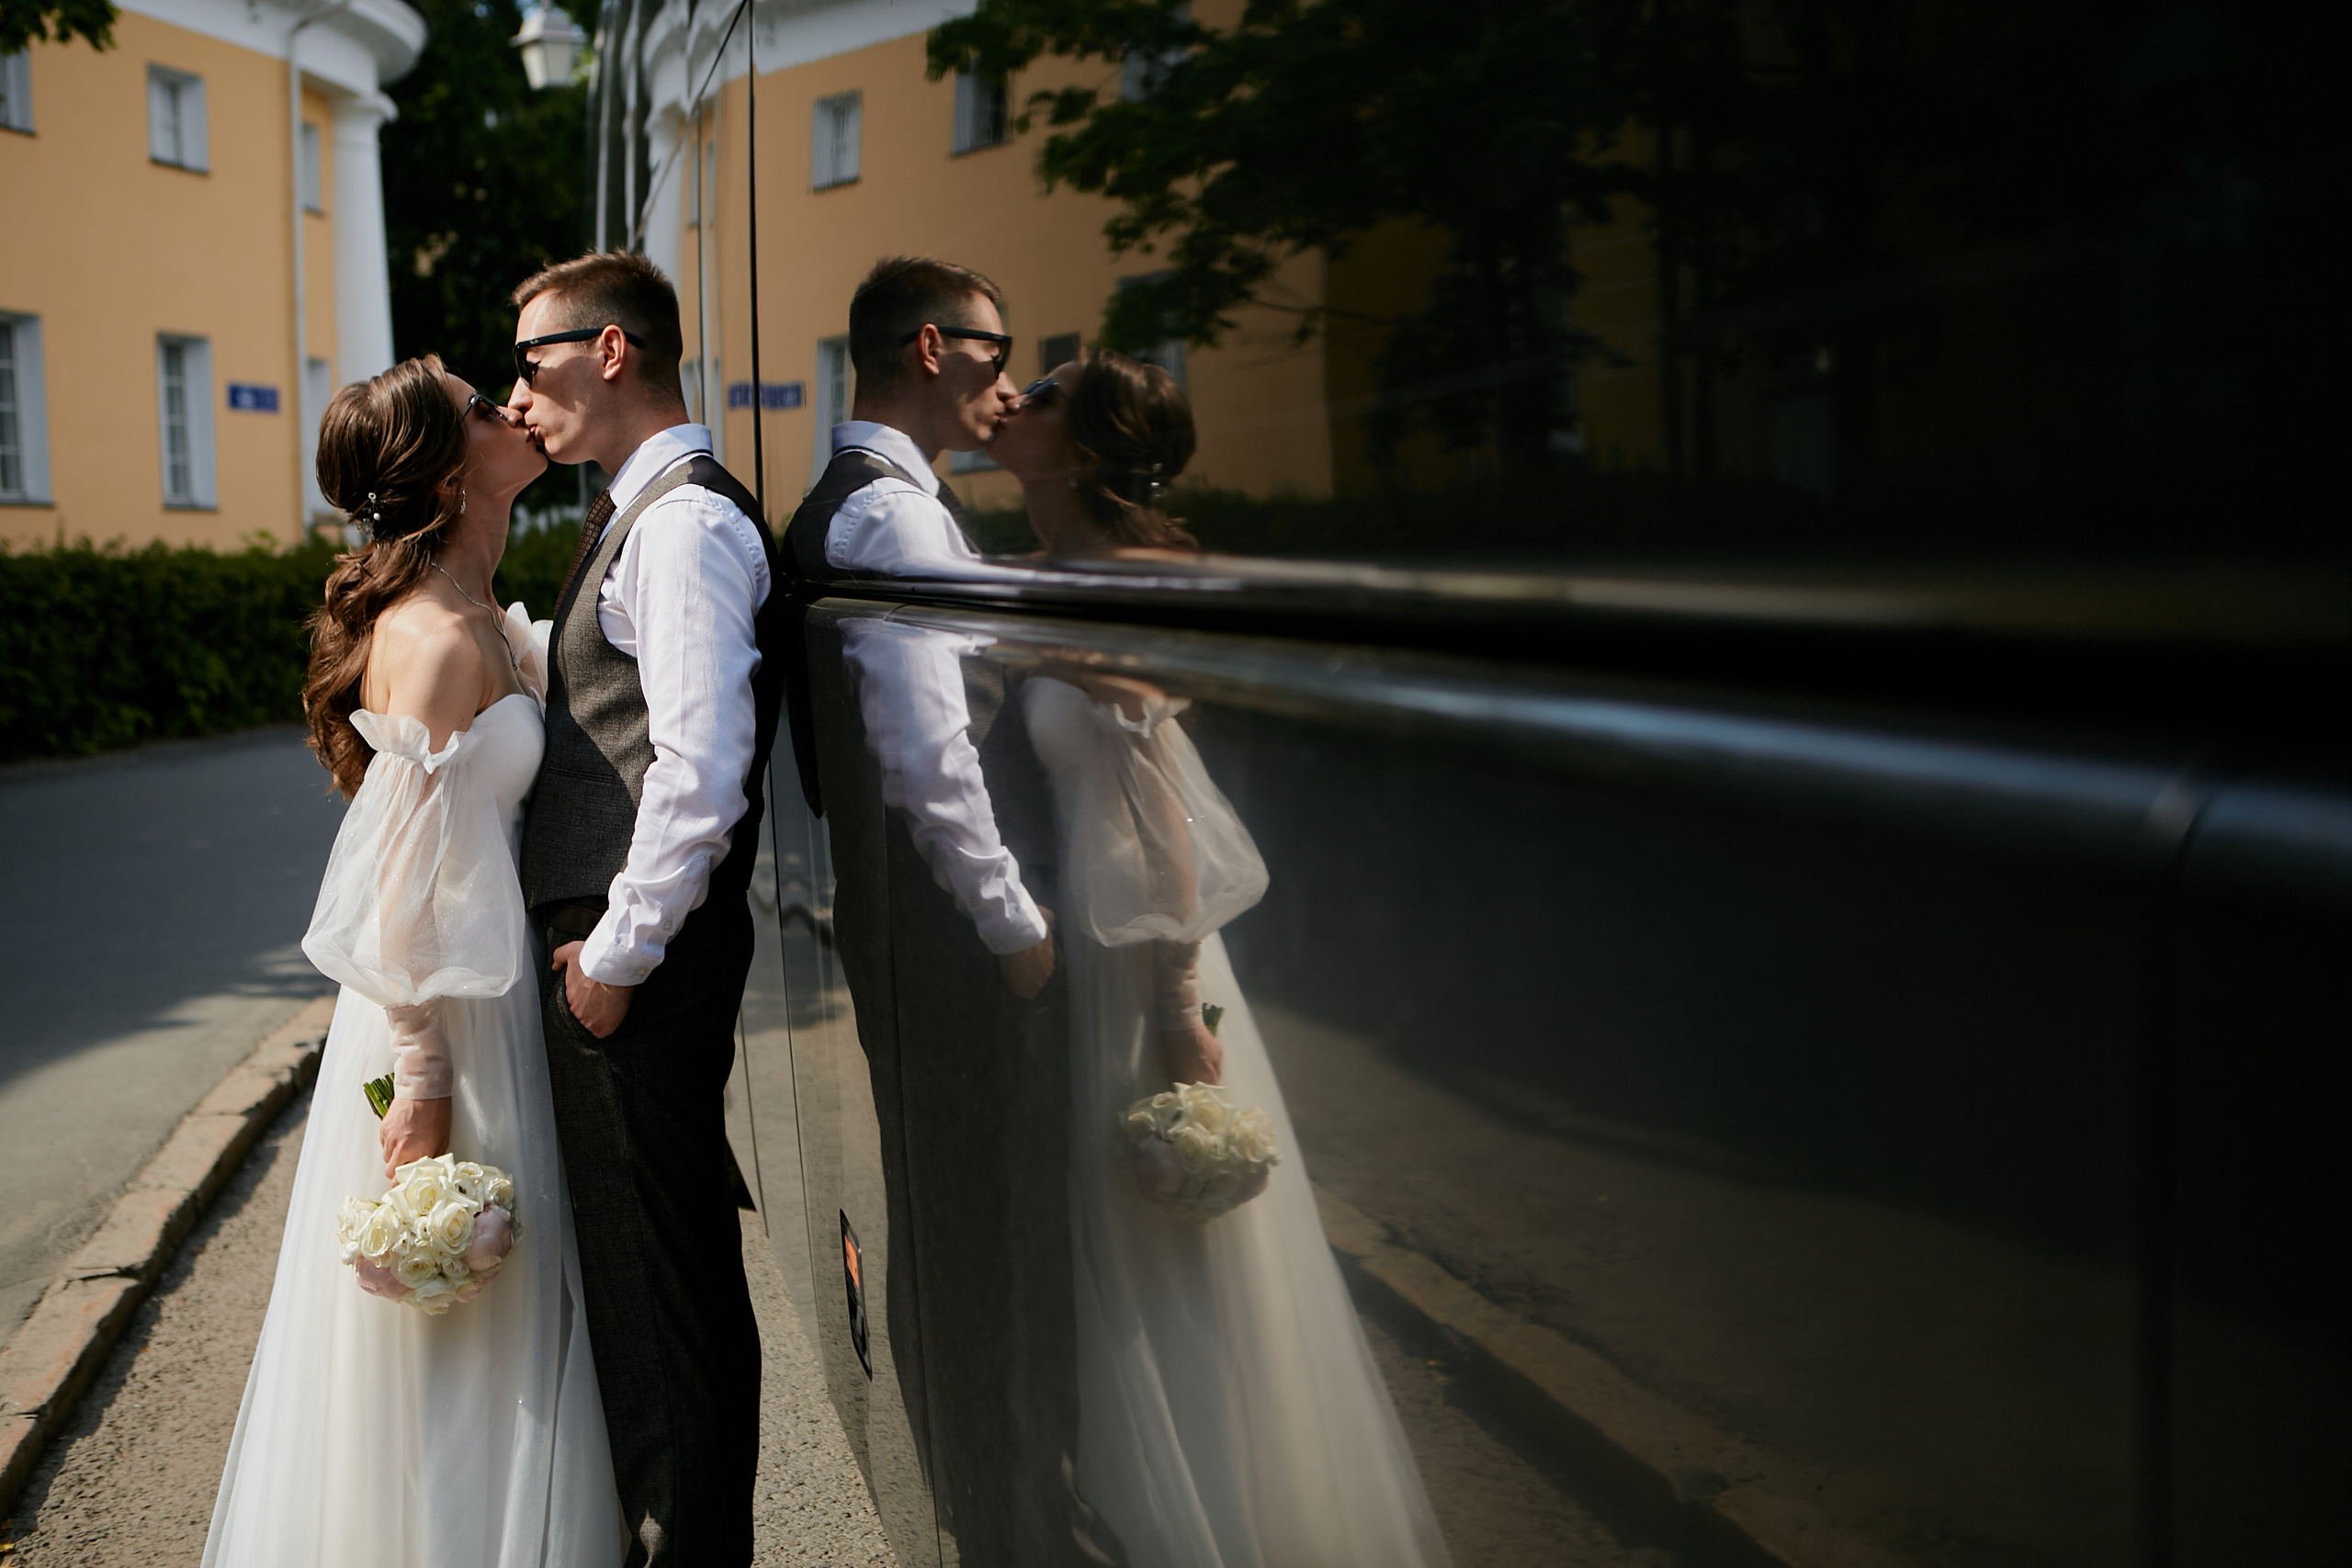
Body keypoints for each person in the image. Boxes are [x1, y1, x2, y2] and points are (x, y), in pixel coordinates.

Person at [991, 349, 1454, 1568]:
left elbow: (1164, 810)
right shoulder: (1034, 573)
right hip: (1078, 954)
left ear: (1081, 447)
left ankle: (1217, 1520)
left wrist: (1179, 1005)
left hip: (1138, 964)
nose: (1009, 405)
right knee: (1107, 1234)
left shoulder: (1130, 579)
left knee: (1163, 1232)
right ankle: (1137, 1502)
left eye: (1037, 396)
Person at [205, 356, 626, 1567]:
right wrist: (423, 1074)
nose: (514, 406)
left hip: (492, 999)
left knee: (512, 1310)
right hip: (451, 1017)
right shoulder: (438, 640)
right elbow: (394, 890)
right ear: (453, 473)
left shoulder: (482, 615)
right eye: (488, 408)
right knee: (471, 1319)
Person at [785, 256, 1119, 1563]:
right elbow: (933, 763)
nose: (1010, 376)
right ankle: (1009, 1524)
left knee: (962, 1241)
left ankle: (1001, 1508)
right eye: (997, 348)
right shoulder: (895, 520)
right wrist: (1017, 928)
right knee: (988, 1252)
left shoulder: (872, 502)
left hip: (914, 948)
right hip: (957, 955)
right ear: (931, 349)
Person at [506, 252, 784, 1567]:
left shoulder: (681, 525)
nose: (519, 392)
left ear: (610, 350)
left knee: (661, 1305)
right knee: (650, 1292)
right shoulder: (649, 513)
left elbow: (699, 772)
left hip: (635, 969)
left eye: (531, 359)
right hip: (627, 962)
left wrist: (613, 961)